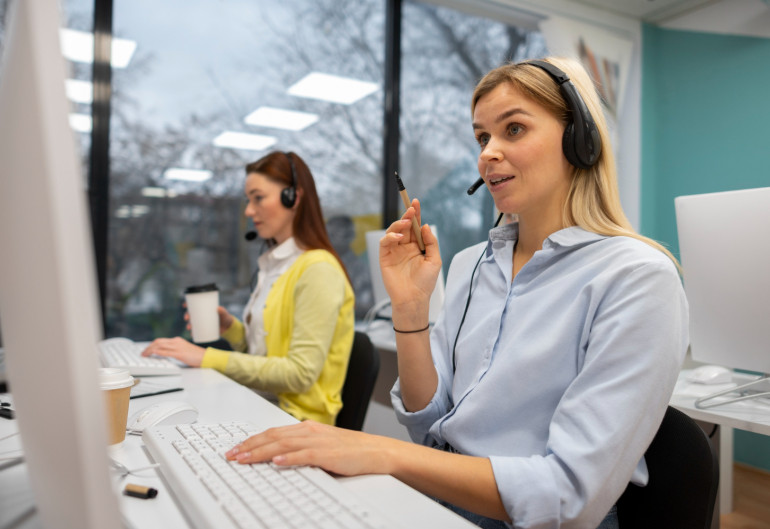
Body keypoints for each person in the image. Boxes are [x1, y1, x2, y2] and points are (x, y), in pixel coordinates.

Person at [222, 58, 689, 529]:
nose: (488, 153)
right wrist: (410, 309)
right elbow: (430, 422)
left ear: (579, 140)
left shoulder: (636, 278)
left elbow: (566, 498)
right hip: (440, 499)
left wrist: (378, 451)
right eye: (483, 137)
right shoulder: (472, 264)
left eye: (514, 129)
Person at [143, 151, 355, 425]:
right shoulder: (276, 265)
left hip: (296, 420)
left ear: (294, 197)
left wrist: (205, 357)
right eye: (248, 200)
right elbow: (264, 356)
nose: (249, 210)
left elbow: (299, 374)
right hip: (263, 403)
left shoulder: (318, 269)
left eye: (258, 198)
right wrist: (231, 328)